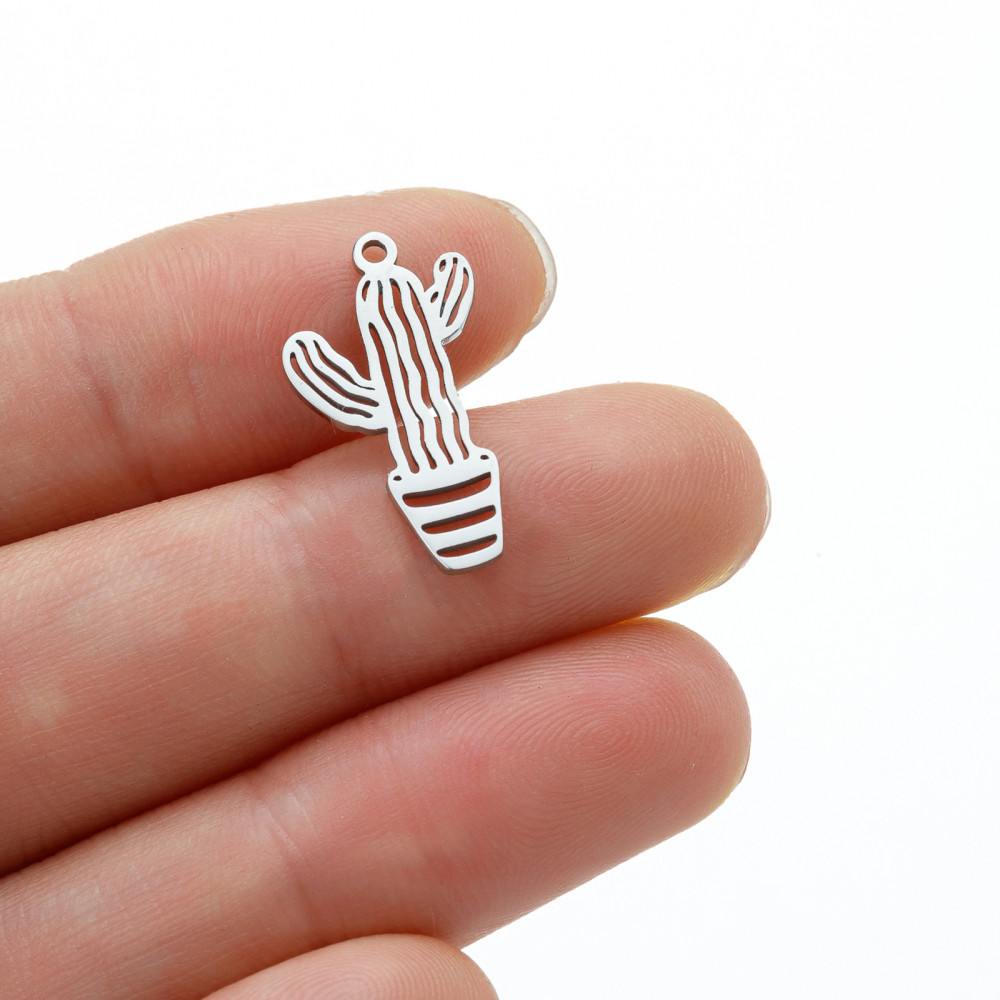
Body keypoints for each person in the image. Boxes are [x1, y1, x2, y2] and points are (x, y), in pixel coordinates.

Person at [0, 188, 768, 1000]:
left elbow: (360, 382)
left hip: (440, 476)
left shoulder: (397, 361)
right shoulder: (413, 334)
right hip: (442, 474)